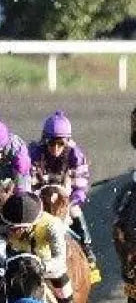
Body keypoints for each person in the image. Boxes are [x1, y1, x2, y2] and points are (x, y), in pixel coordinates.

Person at [28, 110, 98, 271]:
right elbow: (28, 184)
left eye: (60, 144)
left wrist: (70, 202)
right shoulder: (34, 153)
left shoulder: (76, 155)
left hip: (66, 197)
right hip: (39, 196)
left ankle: (87, 248)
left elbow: (80, 186)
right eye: (51, 143)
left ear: (67, 142)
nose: (55, 148)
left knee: (75, 211)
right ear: (45, 141)